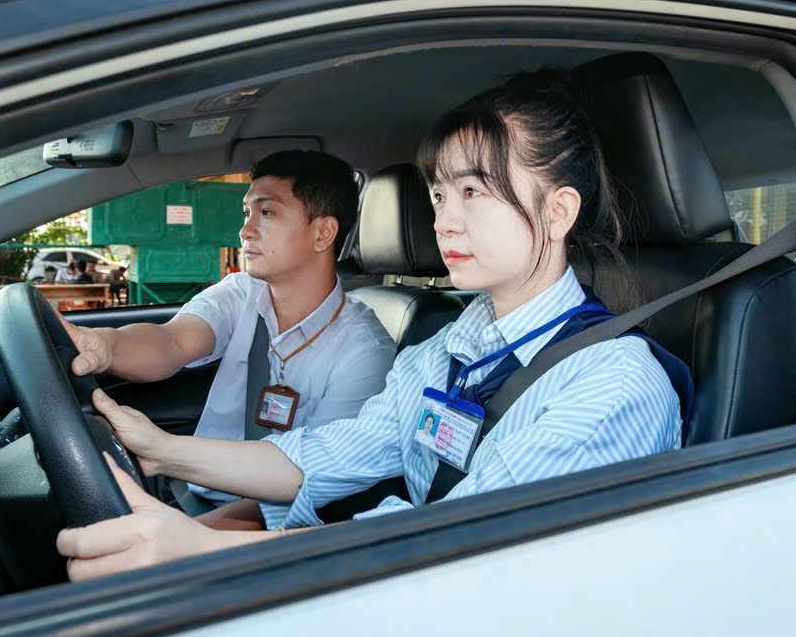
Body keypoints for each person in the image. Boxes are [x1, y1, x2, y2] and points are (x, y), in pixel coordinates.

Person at [57, 72, 692, 579]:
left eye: (473, 192)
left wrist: (202, 551)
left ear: (557, 211)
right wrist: (160, 449)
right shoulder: (450, 348)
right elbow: (329, 456)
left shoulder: (612, 385)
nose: (444, 220)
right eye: (439, 194)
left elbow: (457, 553)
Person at [59, 150, 395, 516]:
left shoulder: (364, 352)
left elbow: (317, 480)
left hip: (265, 524)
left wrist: (190, 535)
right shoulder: (241, 293)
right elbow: (172, 341)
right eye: (247, 212)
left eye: (267, 213)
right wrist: (106, 345)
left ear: (323, 233)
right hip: (189, 490)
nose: (245, 230)